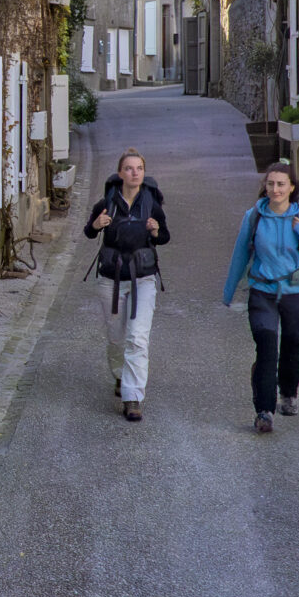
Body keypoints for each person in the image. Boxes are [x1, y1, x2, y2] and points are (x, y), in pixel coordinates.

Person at [221, 160, 299, 435]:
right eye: (271, 184)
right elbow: (241, 254)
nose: (275, 189)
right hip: (262, 292)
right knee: (266, 349)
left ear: (292, 187)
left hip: (297, 294)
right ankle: (264, 411)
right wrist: (228, 292)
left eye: (281, 184)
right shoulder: (253, 217)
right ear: (265, 187)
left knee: (292, 346)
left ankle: (288, 394)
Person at [85, 149, 169, 420]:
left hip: (143, 277)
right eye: (129, 168)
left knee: (137, 338)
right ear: (120, 173)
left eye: (139, 169)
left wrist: (155, 231)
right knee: (116, 338)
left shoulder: (151, 203)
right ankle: (121, 375)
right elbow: (89, 232)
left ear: (144, 174)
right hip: (111, 277)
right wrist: (97, 224)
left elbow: (164, 236)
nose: (135, 173)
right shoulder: (107, 202)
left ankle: (133, 397)